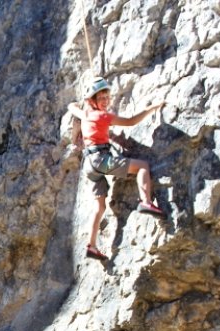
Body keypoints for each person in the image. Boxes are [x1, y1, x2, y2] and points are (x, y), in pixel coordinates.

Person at [68, 77, 165, 261]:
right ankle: (146, 201)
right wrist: (152, 108)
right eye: (101, 98)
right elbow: (130, 121)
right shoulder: (102, 116)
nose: (106, 101)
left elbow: (72, 107)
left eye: (107, 97)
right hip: (100, 160)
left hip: (89, 165)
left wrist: (83, 103)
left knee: (100, 206)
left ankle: (91, 246)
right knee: (142, 166)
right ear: (93, 101)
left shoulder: (85, 115)